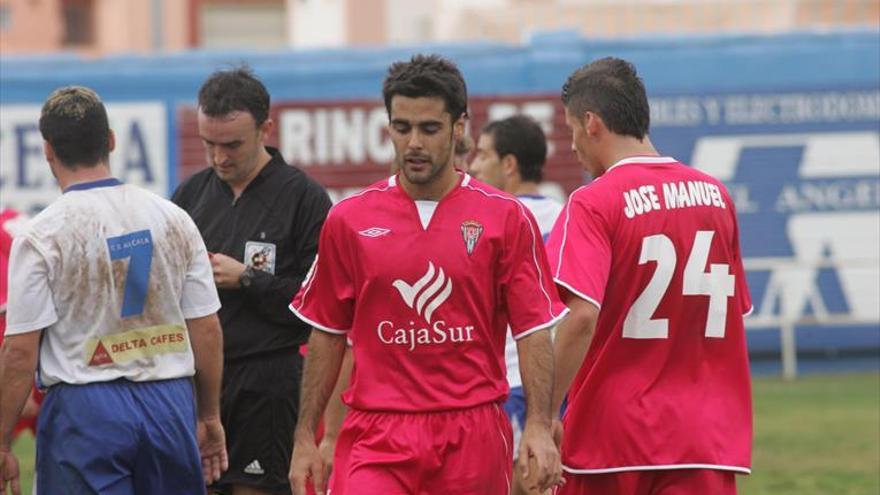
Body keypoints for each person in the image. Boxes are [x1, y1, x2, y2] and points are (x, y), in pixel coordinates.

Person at [288, 54, 567, 495]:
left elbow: (533, 331)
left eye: (429, 128)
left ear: (459, 128)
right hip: (377, 434)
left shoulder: (507, 217)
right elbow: (327, 333)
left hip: (471, 431)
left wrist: (537, 424)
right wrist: (308, 436)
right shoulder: (348, 219)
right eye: (402, 128)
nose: (414, 142)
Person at [0, 86, 227, 495]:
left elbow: (19, 353)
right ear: (110, 140)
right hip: (170, 402)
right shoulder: (174, 219)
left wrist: (1, 440)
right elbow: (207, 329)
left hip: (85, 409)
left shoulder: (40, 236)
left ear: (47, 151)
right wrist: (208, 415)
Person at [546, 57, 753, 495]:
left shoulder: (593, 203)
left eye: (571, 131)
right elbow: (734, 314)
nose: (574, 146)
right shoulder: (717, 197)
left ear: (592, 123)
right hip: (704, 441)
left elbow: (580, 317)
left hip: (611, 440)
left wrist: (543, 415)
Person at [172, 67, 332, 495]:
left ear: (266, 129)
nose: (220, 157)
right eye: (209, 145)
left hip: (269, 381)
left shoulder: (304, 198)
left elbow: (319, 305)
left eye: (232, 145)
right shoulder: (189, 198)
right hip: (198, 383)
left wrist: (249, 279)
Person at [468, 114, 564, 495]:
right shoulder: (568, 216)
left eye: (483, 154)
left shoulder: (490, 221)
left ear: (508, 164)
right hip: (550, 382)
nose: (474, 165)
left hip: (506, 382)